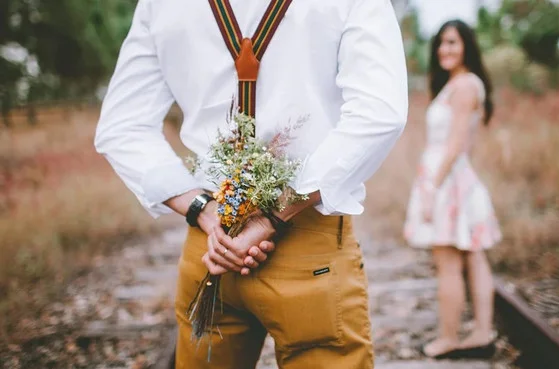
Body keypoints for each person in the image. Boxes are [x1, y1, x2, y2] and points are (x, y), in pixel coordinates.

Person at [94, 0, 408, 368]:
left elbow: (122, 127)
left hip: (213, 249)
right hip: (307, 243)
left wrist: (205, 210)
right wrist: (272, 216)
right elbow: (380, 113)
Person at [402, 19, 502, 360]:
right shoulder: (461, 84)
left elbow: (457, 143)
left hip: (446, 181)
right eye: (441, 44)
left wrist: (432, 187)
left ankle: (448, 338)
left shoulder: (464, 87)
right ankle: (481, 332)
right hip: (455, 177)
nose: (445, 50)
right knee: (473, 256)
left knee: (448, 262)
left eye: (452, 43)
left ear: (466, 47)